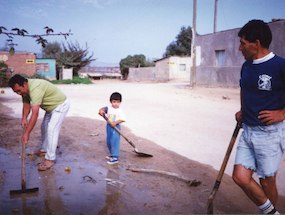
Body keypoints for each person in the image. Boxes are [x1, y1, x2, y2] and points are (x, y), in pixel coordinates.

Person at [232, 19, 285, 214]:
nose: (240, 48)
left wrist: (282, 113)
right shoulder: (247, 66)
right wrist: (243, 109)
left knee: (266, 180)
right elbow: (244, 89)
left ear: (257, 43)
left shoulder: (280, 65)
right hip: (248, 130)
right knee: (240, 176)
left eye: (243, 43)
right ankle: (272, 213)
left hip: (270, 133)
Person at [8, 74, 70, 171]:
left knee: (51, 129)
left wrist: (27, 133)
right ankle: (45, 150)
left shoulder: (35, 88)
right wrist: (24, 118)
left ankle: (50, 159)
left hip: (60, 105)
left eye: (19, 91)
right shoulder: (24, 91)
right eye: (16, 92)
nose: (18, 93)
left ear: (24, 84)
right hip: (50, 108)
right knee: (44, 127)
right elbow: (26, 105)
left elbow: (35, 114)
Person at [98, 92, 125, 164]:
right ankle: (112, 155)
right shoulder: (109, 108)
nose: (116, 103)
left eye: (118, 102)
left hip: (116, 128)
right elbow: (104, 109)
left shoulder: (120, 110)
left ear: (120, 102)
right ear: (111, 101)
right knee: (109, 141)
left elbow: (122, 119)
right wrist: (101, 111)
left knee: (114, 142)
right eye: (114, 102)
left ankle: (115, 158)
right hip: (109, 126)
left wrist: (115, 123)